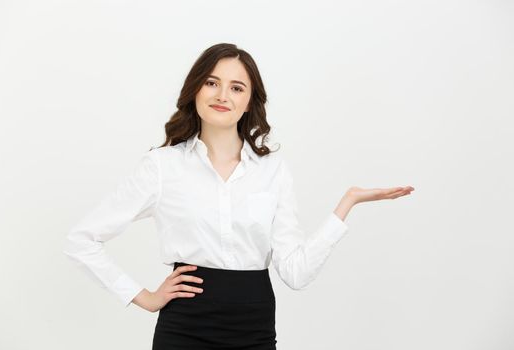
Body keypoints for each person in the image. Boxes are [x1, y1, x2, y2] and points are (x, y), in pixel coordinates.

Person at [63, 42, 414, 349]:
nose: (222, 95)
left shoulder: (272, 170)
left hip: (254, 328)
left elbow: (296, 273)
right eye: (212, 82)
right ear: (195, 90)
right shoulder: (161, 167)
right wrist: (144, 297)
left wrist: (346, 204)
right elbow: (82, 239)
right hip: (185, 329)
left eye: (236, 87)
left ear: (249, 102)